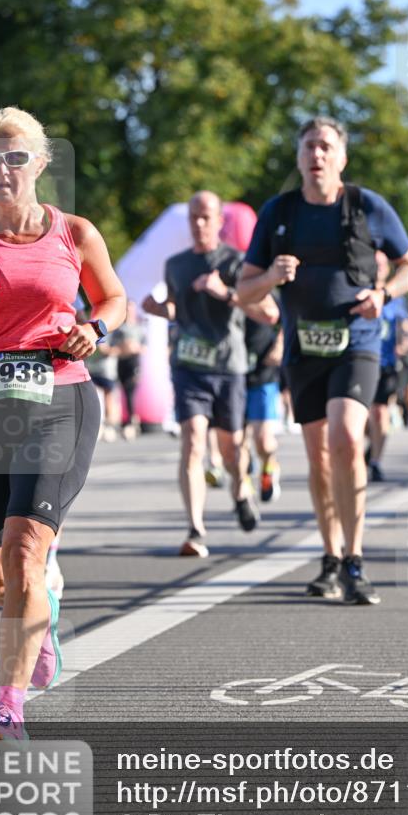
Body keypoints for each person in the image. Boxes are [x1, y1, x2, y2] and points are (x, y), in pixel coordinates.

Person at [0, 107, 126, 739]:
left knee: (24, 549)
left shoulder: (74, 231)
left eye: (14, 158)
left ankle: (8, 706)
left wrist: (93, 327)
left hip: (58, 392)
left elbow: (113, 297)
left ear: (40, 162)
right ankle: (42, 606)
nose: (1, 171)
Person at [237, 116, 408, 604]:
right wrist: (271, 277)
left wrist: (384, 294)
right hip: (304, 347)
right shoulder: (279, 211)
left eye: (325, 146)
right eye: (308, 147)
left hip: (358, 340)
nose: (316, 154)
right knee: (317, 455)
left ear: (342, 158)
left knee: (344, 435)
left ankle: (356, 559)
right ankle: (331, 557)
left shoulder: (366, 207)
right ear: (298, 157)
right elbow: (243, 289)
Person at [142, 191, 278, 558]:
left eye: (206, 217)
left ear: (220, 221)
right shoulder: (176, 264)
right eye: (193, 217)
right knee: (193, 441)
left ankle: (241, 491)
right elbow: (178, 310)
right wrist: (158, 308)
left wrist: (226, 293)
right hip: (188, 367)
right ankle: (195, 529)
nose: (199, 224)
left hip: (228, 367)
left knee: (232, 451)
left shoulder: (236, 262)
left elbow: (268, 314)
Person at [367, 251, 408, 482]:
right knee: (362, 416)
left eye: (383, 264)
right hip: (361, 360)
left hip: (386, 364)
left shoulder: (395, 297)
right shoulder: (361, 291)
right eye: (375, 264)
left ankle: (375, 462)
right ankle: (370, 445)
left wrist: (404, 341)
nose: (379, 268)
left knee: (380, 412)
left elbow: (405, 325)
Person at [244, 310, 284, 502]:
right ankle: (244, 489)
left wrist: (280, 345)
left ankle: (270, 466)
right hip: (233, 374)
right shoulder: (225, 293)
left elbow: (288, 319)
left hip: (263, 375)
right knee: (237, 442)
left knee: (264, 441)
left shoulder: (269, 295)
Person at [111, 299, 147, 440]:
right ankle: (124, 422)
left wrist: (135, 347)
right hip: (122, 362)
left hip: (134, 363)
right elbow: (113, 346)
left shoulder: (139, 328)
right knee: (123, 392)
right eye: (127, 308)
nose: (129, 311)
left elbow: (145, 347)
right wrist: (123, 347)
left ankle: (132, 422)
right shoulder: (119, 329)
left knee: (131, 391)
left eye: (131, 308)